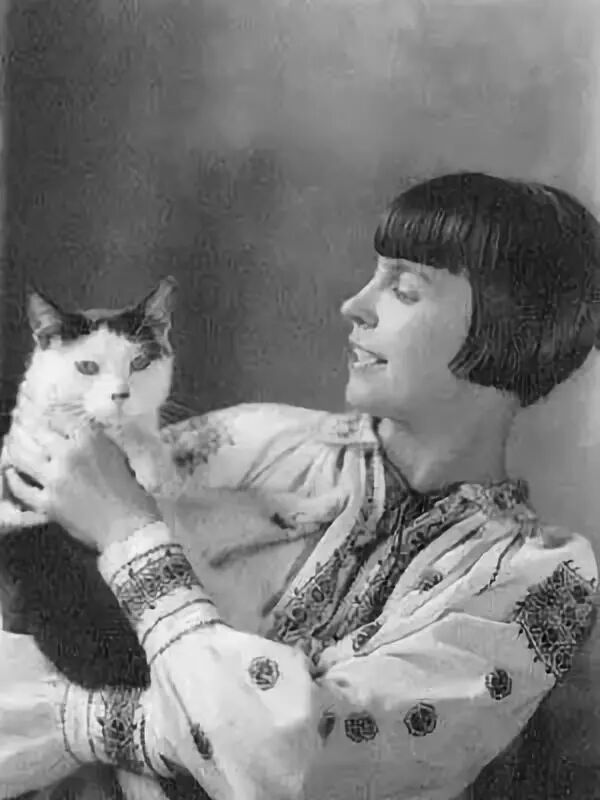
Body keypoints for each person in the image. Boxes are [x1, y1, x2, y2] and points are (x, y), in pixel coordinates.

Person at [0, 171, 599, 800]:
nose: (355, 304)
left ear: (510, 325)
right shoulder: (249, 441)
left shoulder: (538, 576)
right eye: (374, 276)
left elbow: (307, 763)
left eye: (404, 288)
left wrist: (128, 532)